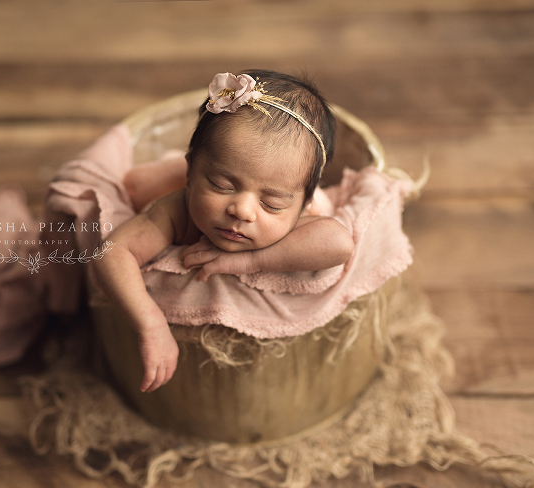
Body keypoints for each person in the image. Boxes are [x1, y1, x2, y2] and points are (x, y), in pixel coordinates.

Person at [93, 70, 354, 393]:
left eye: (271, 203)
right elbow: (111, 252)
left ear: (302, 206)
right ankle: (174, 167)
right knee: (138, 187)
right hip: (185, 176)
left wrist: (249, 262)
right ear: (192, 174)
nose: (242, 211)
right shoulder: (178, 210)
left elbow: (340, 243)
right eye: (221, 185)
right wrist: (151, 324)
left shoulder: (301, 219)